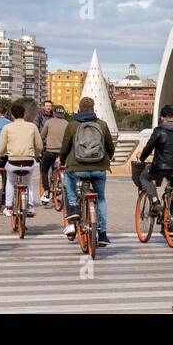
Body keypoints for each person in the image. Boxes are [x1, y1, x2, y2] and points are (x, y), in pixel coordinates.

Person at [58, 96, 115, 246]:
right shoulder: (102, 124)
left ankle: (73, 209)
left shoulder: (72, 125)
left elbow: (65, 147)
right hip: (99, 168)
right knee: (101, 198)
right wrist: (107, 159)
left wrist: (63, 161)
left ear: (79, 108)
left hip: (76, 168)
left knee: (69, 181)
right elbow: (110, 146)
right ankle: (102, 234)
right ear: (93, 108)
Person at [137, 105, 173, 216]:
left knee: (144, 177)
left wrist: (141, 159)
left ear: (162, 117)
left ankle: (155, 201)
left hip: (161, 168)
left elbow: (149, 148)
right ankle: (172, 219)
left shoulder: (159, 131)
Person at [0, 101, 42, 219]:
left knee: (10, 181)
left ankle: (9, 207)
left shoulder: (7, 127)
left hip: (13, 162)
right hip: (29, 162)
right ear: (24, 114)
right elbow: (39, 146)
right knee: (28, 183)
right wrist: (36, 155)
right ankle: (30, 206)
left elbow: (1, 148)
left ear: (12, 115)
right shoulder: (32, 126)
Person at [38, 104, 68, 206]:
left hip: (50, 152)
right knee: (64, 169)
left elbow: (41, 137)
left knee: (44, 170)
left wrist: (40, 147)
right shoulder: (67, 124)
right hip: (63, 153)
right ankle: (61, 186)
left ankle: (46, 192)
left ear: (54, 113)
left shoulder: (48, 122)